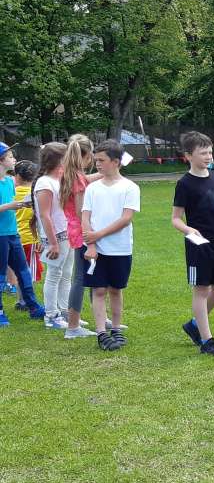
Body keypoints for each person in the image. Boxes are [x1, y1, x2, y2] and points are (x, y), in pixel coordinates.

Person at [172, 131, 214, 356]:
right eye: (203, 153)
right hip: (198, 244)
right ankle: (207, 340)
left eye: (210, 152)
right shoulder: (184, 184)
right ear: (188, 155)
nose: (208, 156)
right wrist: (190, 230)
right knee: (201, 290)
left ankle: (194, 325)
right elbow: (175, 219)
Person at [81, 140, 140, 350]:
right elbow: (85, 217)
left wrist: (99, 234)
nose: (97, 164)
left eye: (101, 160)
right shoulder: (92, 188)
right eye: (95, 160)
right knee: (98, 290)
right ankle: (101, 332)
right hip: (95, 248)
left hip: (121, 248)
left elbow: (126, 218)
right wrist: (91, 243)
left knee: (116, 289)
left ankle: (116, 328)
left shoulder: (130, 187)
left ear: (115, 162)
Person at [60, 134, 103, 338]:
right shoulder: (77, 178)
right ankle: (73, 326)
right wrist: (93, 232)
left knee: (91, 276)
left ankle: (99, 317)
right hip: (82, 233)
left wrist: (106, 173)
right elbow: (80, 211)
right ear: (86, 156)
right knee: (81, 278)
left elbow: (87, 180)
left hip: (76, 232)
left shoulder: (72, 174)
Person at [0, 142, 45, 326]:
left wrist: (23, 204)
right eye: (10, 157)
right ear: (1, 160)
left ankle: (33, 306)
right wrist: (11, 206)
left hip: (13, 234)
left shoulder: (10, 182)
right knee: (1, 276)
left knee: (23, 271)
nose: (14, 160)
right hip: (1, 236)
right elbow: (7, 205)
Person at [33, 142, 72, 329]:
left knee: (66, 275)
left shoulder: (59, 179)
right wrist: (54, 243)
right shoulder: (45, 183)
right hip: (55, 237)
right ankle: (51, 315)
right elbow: (44, 214)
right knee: (54, 274)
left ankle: (65, 312)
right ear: (58, 159)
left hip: (67, 234)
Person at [12, 160, 42, 309]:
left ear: (17, 176)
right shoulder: (35, 194)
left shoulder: (12, 192)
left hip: (15, 237)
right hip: (30, 238)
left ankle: (20, 299)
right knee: (28, 272)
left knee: (20, 271)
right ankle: (25, 300)